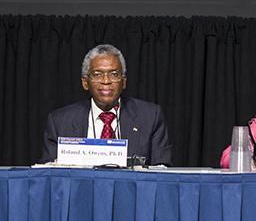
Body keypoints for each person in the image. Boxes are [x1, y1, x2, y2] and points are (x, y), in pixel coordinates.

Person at [39, 44, 172, 166]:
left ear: (124, 81)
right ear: (85, 82)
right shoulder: (60, 122)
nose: (106, 81)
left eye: (114, 74)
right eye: (97, 74)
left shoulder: (149, 117)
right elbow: (48, 175)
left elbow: (161, 172)